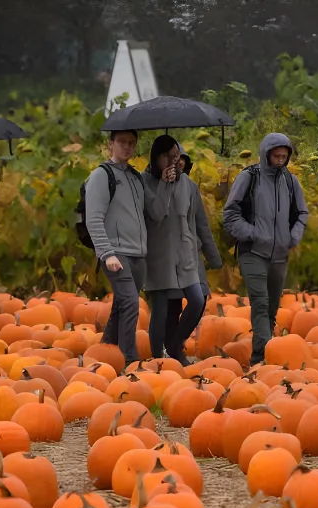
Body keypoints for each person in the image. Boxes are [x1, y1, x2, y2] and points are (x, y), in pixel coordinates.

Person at [222, 133, 309, 365]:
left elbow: (302, 213)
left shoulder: (290, 181)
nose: (280, 160)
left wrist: (294, 235)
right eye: (276, 156)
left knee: (271, 307)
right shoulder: (249, 177)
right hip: (253, 252)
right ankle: (260, 359)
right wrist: (251, 233)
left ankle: (268, 350)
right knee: (259, 303)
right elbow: (230, 214)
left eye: (284, 156)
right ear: (266, 154)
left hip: (280, 254)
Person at [142, 135, 218, 363]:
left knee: (197, 300)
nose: (173, 162)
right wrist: (164, 184)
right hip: (159, 253)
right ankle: (158, 360)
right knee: (162, 309)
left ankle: (174, 345)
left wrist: (212, 256)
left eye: (177, 157)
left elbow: (200, 222)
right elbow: (155, 215)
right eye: (168, 156)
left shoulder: (189, 186)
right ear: (156, 157)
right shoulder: (144, 182)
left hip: (186, 254)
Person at [85, 129, 148, 369]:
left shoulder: (136, 177)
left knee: (123, 304)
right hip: (116, 252)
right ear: (110, 143)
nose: (127, 147)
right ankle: (129, 361)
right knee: (131, 302)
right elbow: (94, 218)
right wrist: (107, 252)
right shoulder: (102, 175)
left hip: (138, 253)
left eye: (132, 143)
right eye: (122, 142)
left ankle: (105, 352)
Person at [179, 145, 223, 302]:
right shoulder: (154, 185)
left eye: (181, 158)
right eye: (173, 158)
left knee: (199, 300)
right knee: (172, 303)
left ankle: (184, 327)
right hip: (167, 256)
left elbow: (201, 225)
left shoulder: (191, 187)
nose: (179, 162)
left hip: (191, 253)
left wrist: (214, 259)